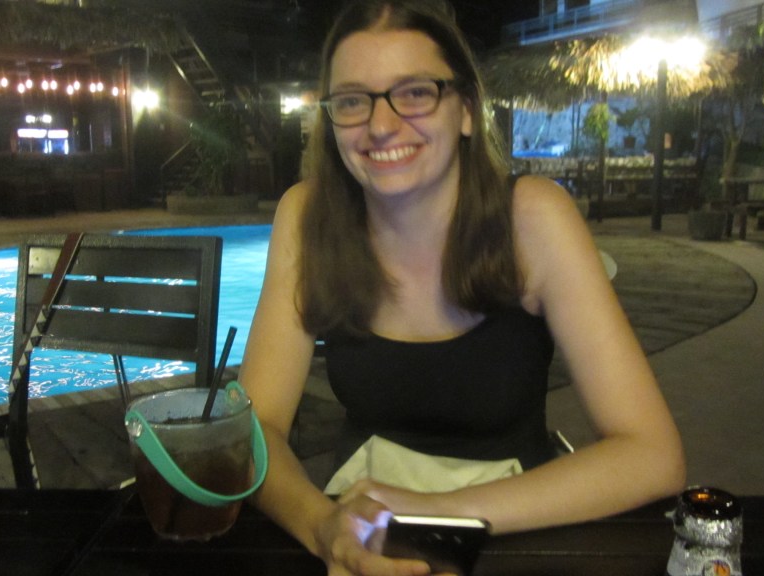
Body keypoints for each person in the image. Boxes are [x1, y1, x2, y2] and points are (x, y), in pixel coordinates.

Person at [238, 0, 686, 574]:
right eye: (351, 101)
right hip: (360, 531)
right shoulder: (307, 217)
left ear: (467, 110)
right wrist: (321, 527)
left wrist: (433, 514)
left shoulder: (533, 219)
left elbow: (652, 455)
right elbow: (253, 429)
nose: (381, 125)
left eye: (415, 92)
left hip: (510, 530)